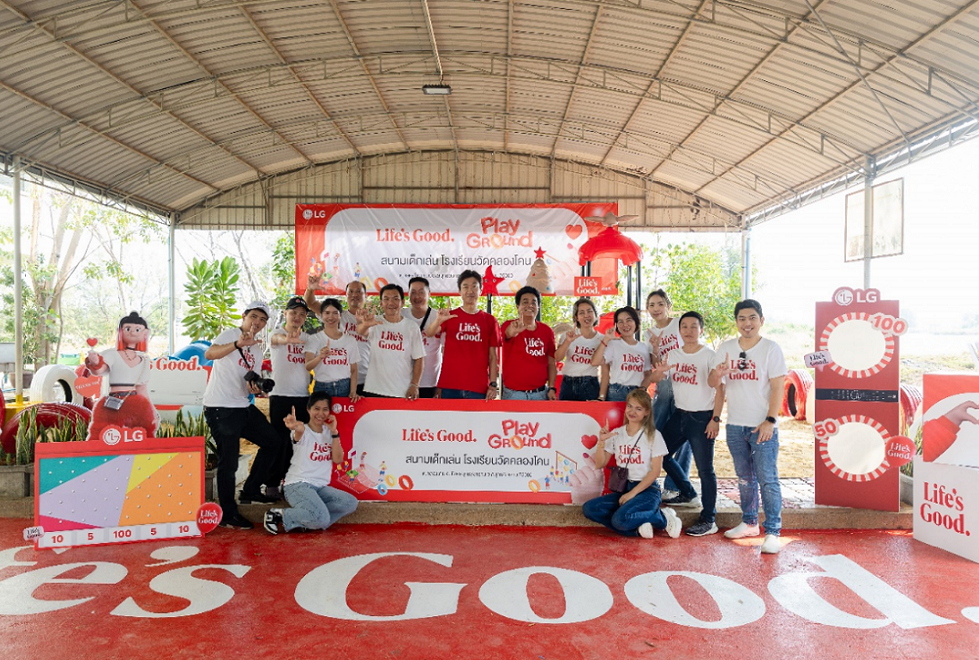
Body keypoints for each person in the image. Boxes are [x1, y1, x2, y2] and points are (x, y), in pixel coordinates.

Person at [709, 299, 787, 555]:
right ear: (736, 322)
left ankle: (773, 531)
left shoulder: (771, 349)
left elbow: (778, 387)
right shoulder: (727, 348)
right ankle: (749, 522)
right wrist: (717, 415)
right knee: (744, 478)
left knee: (768, 479)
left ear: (761, 320)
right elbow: (715, 385)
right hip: (735, 425)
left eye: (752, 318)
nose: (747, 323)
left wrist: (771, 420)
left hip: (761, 425)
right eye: (742, 318)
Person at [203, 301, 282, 530]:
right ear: (244, 316)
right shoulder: (231, 333)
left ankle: (250, 490)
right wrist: (237, 343)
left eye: (262, 320)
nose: (257, 323)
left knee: (272, 442)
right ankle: (228, 514)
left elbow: (248, 380)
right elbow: (211, 353)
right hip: (221, 408)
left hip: (242, 407)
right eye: (254, 317)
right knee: (229, 461)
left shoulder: (257, 348)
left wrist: (255, 387)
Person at [653, 311, 725, 536]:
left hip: (702, 419)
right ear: (679, 330)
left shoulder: (709, 355)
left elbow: (719, 388)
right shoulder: (673, 355)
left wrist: (715, 419)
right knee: (661, 454)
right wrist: (660, 372)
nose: (688, 330)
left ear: (701, 330)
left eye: (694, 326)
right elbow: (658, 379)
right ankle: (686, 491)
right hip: (679, 415)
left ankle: (709, 518)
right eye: (684, 326)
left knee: (706, 470)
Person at [581, 388, 682, 539]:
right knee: (590, 508)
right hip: (624, 488)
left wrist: (632, 494)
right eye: (630, 406)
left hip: (647, 490)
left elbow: (655, 472)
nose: (632, 411)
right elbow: (600, 464)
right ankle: (637, 527)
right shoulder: (617, 434)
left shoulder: (654, 435)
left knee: (619, 520)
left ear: (646, 412)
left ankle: (662, 518)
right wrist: (601, 442)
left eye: (638, 408)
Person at [263, 392, 358, 534]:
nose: (321, 413)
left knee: (350, 503)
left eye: (325, 409)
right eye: (316, 408)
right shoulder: (303, 430)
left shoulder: (329, 432)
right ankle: (278, 515)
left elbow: (338, 459)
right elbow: (298, 431)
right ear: (308, 409)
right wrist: (295, 426)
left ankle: (308, 521)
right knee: (322, 518)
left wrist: (334, 432)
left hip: (319, 487)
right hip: (297, 485)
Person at [267, 296, 319, 500]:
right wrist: (287, 340)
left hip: (302, 397)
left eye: (302, 314)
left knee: (298, 443)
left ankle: (293, 484)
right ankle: (272, 484)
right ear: (286, 313)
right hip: (280, 396)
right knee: (279, 441)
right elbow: (277, 341)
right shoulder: (276, 334)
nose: (297, 317)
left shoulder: (309, 338)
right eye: (293, 312)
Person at [426, 270, 502, 400]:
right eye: (465, 287)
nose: (470, 291)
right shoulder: (451, 316)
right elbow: (429, 333)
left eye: (474, 286)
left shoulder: (490, 320)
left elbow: (493, 356)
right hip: (450, 386)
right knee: (449, 421)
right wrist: (439, 320)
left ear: (480, 290)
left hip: (478, 388)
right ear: (459, 291)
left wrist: (493, 384)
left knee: (477, 421)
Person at [84, 311, 159, 441]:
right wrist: (95, 362)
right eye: (128, 328)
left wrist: (152, 411)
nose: (133, 332)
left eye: (137, 329)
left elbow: (142, 389)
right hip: (112, 402)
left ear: (144, 333)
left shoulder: (145, 360)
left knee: (143, 434)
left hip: (138, 403)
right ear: (120, 331)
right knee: (101, 434)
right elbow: (99, 370)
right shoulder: (111, 354)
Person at [646, 289, 691, 499]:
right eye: (652, 305)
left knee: (684, 436)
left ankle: (675, 487)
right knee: (656, 432)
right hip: (664, 387)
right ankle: (649, 480)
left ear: (668, 305)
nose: (656, 309)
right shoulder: (650, 333)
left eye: (660, 304)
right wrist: (655, 349)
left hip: (686, 383)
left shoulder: (680, 323)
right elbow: (655, 364)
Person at [357, 283, 425, 399]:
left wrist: (415, 385)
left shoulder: (411, 327)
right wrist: (365, 325)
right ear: (381, 303)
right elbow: (361, 332)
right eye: (386, 299)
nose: (391, 303)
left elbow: (419, 358)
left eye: (395, 299)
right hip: (374, 390)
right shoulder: (375, 322)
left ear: (402, 302)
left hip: (401, 392)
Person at [305, 279, 370, 394]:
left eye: (359, 291)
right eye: (350, 292)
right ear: (346, 296)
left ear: (366, 295)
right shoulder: (336, 316)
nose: (354, 295)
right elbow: (311, 303)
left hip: (366, 381)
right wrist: (310, 289)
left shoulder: (374, 320)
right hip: (340, 382)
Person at [501, 285, 557, 400]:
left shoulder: (547, 331)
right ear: (518, 306)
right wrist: (513, 331)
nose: (530, 305)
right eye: (525, 302)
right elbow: (507, 334)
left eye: (534, 302)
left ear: (538, 306)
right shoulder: (509, 325)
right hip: (514, 395)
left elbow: (551, 363)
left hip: (540, 394)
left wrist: (552, 388)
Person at [590, 306, 656, 402]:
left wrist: (642, 389)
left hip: (636, 392)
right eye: (620, 321)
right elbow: (595, 362)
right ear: (616, 325)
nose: (625, 324)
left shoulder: (643, 348)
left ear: (636, 322)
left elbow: (648, 374)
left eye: (629, 320)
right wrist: (606, 339)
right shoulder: (613, 344)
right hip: (616, 392)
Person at [307, 298, 360, 400]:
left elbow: (354, 370)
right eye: (327, 313)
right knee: (321, 416)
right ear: (321, 316)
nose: (331, 317)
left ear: (340, 316)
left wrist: (353, 392)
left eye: (335, 313)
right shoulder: (314, 339)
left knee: (345, 416)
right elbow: (308, 366)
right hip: (322, 387)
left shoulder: (350, 340)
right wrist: (319, 357)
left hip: (345, 387)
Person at [556, 298, 602, 401]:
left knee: (590, 416)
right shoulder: (567, 335)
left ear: (595, 314)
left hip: (590, 384)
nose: (586, 315)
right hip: (568, 383)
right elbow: (558, 357)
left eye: (590, 311)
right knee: (566, 416)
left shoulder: (602, 339)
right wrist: (567, 341)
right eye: (582, 312)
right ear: (576, 317)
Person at [403, 277, 442, 398]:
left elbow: (447, 352)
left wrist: (442, 384)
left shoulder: (439, 317)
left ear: (429, 294)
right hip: (403, 381)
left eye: (421, 292)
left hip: (431, 383)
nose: (417, 296)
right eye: (413, 292)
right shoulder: (400, 315)